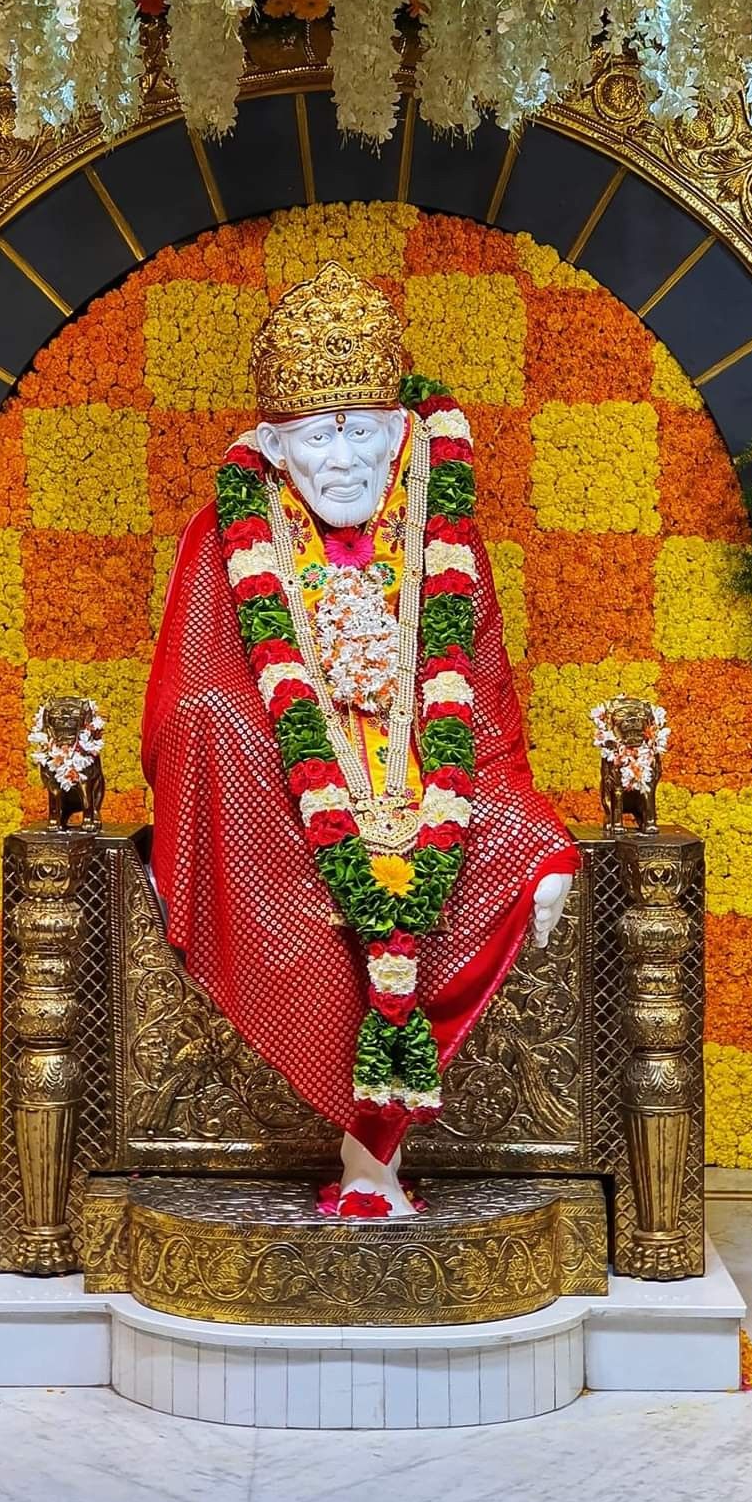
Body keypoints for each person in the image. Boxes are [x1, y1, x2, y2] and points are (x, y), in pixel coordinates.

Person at [142, 264, 579, 1217]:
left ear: (401, 433)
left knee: (527, 854)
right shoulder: (223, 536)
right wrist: (295, 771)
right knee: (217, 733)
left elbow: (486, 710)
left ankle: (371, 1155)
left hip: (433, 788)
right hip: (283, 817)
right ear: (271, 446)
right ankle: (360, 1151)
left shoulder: (444, 538)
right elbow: (190, 705)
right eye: (313, 433)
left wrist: (534, 832)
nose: (339, 457)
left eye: (358, 430)